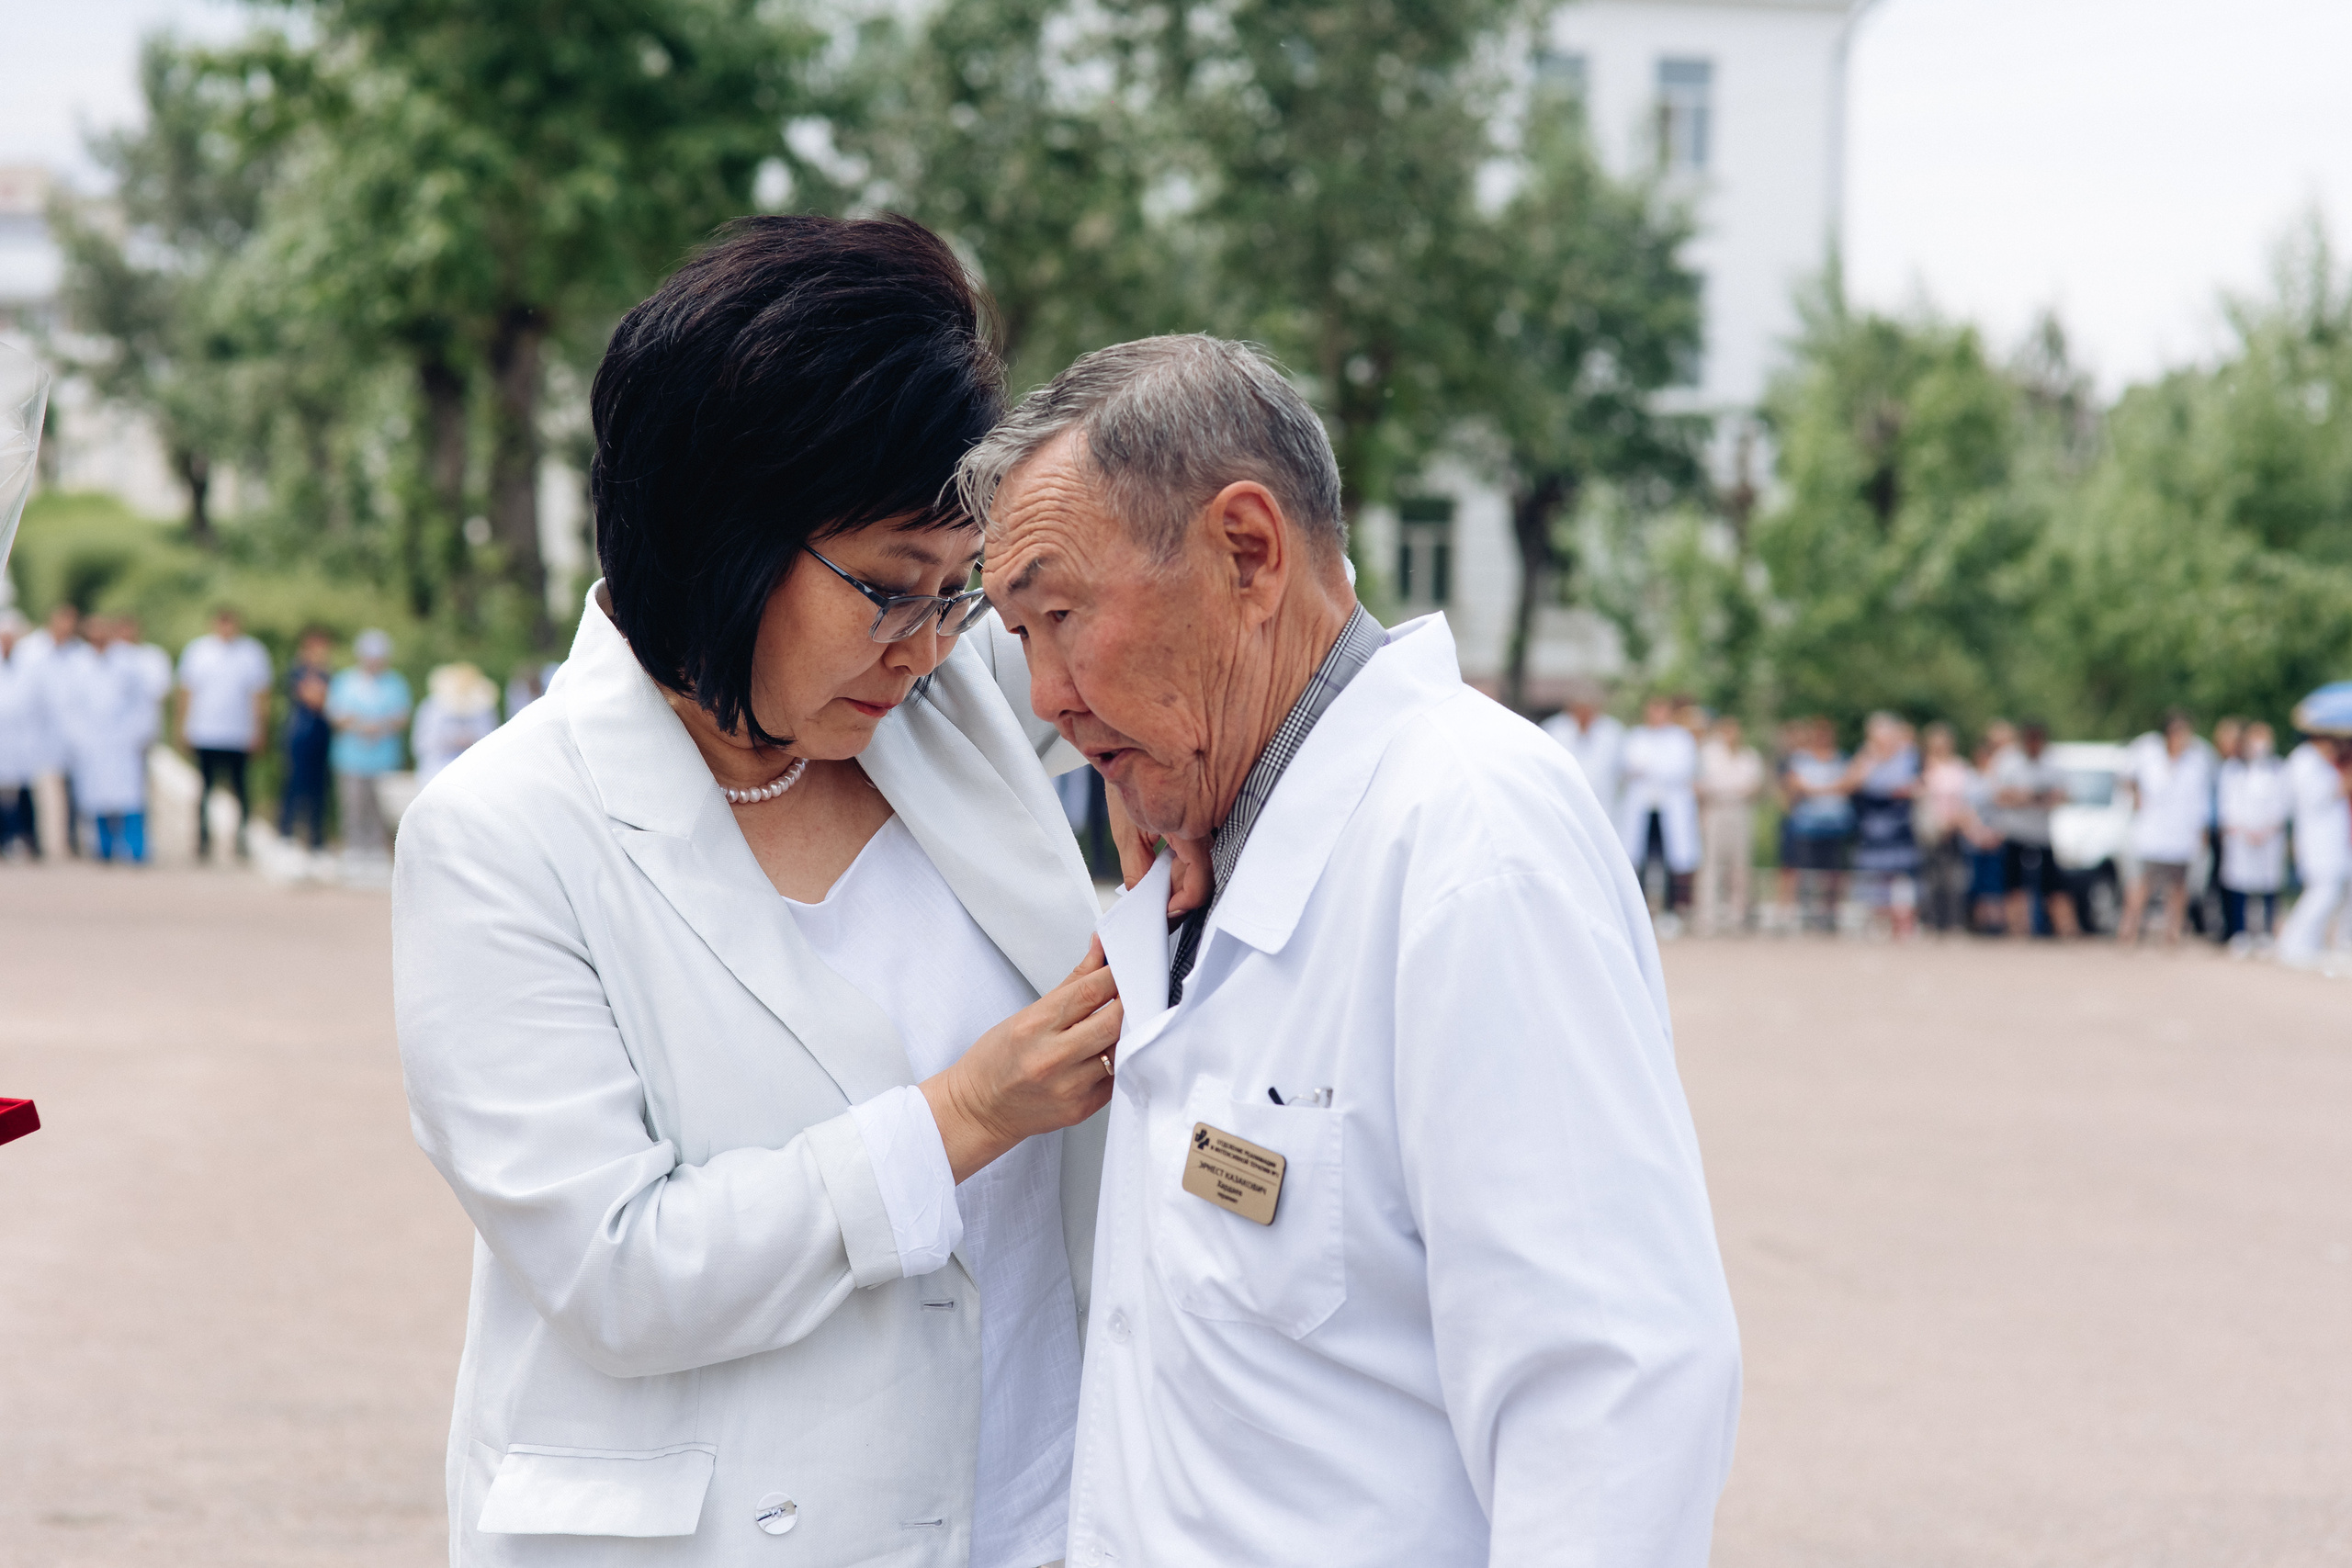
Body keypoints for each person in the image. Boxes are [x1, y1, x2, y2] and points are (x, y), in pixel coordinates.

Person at [393, 216, 1125, 1568]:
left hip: (1031, 1502)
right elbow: (619, 1271)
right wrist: (962, 1117)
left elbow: (1181, 644)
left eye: (954, 593)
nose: (924, 645)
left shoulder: (952, 707)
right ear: (718, 531)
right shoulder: (503, 835)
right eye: (889, 589)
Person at [967, 334, 1739, 1567]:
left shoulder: (1470, 837)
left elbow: (1610, 1391)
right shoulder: (1213, 833)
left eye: (1060, 617)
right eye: (1020, 636)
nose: (1048, 696)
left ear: (1247, 553)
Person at [175, 605, 275, 860]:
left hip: (238, 733)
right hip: (205, 731)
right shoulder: (198, 651)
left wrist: (260, 729)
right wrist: (183, 727)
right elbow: (186, 692)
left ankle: (241, 838)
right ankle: (203, 839)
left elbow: (260, 695)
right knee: (205, 789)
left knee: (241, 789)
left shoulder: (252, 653)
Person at [60, 615, 157, 863]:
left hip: (124, 740)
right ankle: (104, 848)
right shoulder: (77, 664)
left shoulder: (129, 662)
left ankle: (136, 848)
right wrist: (77, 738)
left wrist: (139, 733)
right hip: (91, 742)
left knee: (130, 797)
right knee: (96, 798)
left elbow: (143, 702)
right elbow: (69, 707)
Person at [2118, 710, 2214, 948]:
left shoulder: (2197, 760)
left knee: (2178, 884)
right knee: (2143, 882)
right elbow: (2127, 777)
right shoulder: (2147, 753)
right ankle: (2129, 929)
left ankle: (2173, 932)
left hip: (2182, 830)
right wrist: (2135, 798)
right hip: (2152, 829)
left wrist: (2202, 829)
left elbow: (2201, 799)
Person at [327, 629, 412, 863]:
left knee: (380, 807)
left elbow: (402, 716)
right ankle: (353, 848)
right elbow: (335, 715)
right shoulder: (346, 681)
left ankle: (376, 849)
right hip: (351, 756)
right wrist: (360, 726)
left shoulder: (395, 683)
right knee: (353, 804)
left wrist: (380, 726)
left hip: (384, 757)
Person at [1618, 694, 1702, 925]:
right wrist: (1652, 769)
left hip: (1669, 808)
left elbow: (1680, 769)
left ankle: (1670, 911)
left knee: (1671, 861)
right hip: (1644, 808)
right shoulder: (1636, 736)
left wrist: (1649, 769)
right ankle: (1642, 912)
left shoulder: (1681, 739)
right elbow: (1629, 765)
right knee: (1642, 861)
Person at [1989, 721, 2079, 939]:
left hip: (2041, 834)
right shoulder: (2009, 762)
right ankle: (2018, 929)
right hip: (2016, 832)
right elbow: (1997, 795)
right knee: (2014, 883)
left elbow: (2068, 795)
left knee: (2053, 884)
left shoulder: (2052, 764)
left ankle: (2065, 929)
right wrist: (2022, 797)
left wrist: (2047, 798)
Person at [1846, 712, 1922, 940]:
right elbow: (1853, 783)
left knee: (1902, 876)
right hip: (1872, 826)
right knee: (1873, 876)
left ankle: (1904, 925)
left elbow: (1912, 786)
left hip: (1898, 826)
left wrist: (1884, 787)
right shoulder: (1865, 756)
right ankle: (1878, 924)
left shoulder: (1908, 756)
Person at [17, 603, 85, 855]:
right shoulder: (31, 650)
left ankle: (71, 839)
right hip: (34, 729)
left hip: (71, 731)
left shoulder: (80, 653)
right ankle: (32, 839)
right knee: (29, 786)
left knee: (73, 788)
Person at [2280, 731, 2350, 967]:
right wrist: (2342, 785)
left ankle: (2311, 943)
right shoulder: (2304, 761)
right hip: (2317, 841)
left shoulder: (2318, 762)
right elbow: (2312, 798)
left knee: (2331, 893)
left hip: (2330, 840)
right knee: (2323, 892)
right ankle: (2294, 944)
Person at [2216, 720, 2289, 945]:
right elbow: (2227, 806)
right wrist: (2243, 830)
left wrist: (2267, 829)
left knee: (2268, 884)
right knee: (2239, 883)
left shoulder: (2278, 769)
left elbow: (2282, 804)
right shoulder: (2233, 770)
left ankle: (2266, 932)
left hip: (2269, 837)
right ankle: (2239, 932)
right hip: (2241, 836)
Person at [1779, 717, 1854, 931]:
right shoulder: (1801, 759)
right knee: (1806, 874)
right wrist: (1829, 789)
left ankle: (1830, 916)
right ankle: (1805, 915)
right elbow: (1793, 785)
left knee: (1833, 874)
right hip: (1807, 825)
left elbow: (1849, 783)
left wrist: (1816, 789)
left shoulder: (1840, 758)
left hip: (1835, 825)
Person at [1696, 713, 1764, 934]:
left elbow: (1753, 787)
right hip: (1715, 810)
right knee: (1711, 864)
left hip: (1739, 811)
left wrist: (1730, 790)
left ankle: (1737, 916)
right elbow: (1703, 785)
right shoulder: (1709, 754)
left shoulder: (1748, 756)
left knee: (1740, 865)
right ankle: (1708, 915)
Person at [279, 628, 335, 851]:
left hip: (321, 736)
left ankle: (316, 838)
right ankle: (286, 832)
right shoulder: (298, 672)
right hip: (300, 735)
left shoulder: (329, 674)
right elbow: (314, 700)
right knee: (295, 784)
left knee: (319, 788)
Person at [1541, 678, 1623, 818]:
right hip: (1564, 803)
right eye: (1580, 709)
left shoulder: (1612, 732)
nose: (1585, 714)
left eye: (1589, 709)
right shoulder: (1554, 730)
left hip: (1603, 805)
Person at [409, 661, 501, 784]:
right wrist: (449, 741)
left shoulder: (485, 708)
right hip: (436, 772)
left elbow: (492, 742)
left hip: (476, 772)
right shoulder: (431, 708)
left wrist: (471, 740)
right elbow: (421, 745)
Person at [0, 611, 44, 857]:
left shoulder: (29, 665)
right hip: (4, 737)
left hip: (23, 738)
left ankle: (29, 839)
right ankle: (5, 840)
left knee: (25, 792)